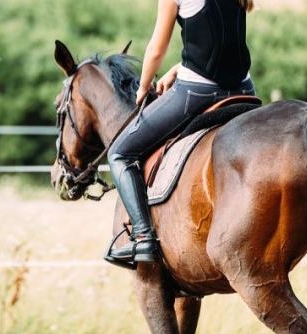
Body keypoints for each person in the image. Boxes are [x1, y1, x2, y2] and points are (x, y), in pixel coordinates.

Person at [106, 0, 257, 263]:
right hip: (244, 89)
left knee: (119, 153)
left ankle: (143, 238)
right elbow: (221, 41)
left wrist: (143, 88)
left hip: (199, 92)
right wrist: (179, 68)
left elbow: (155, 50)